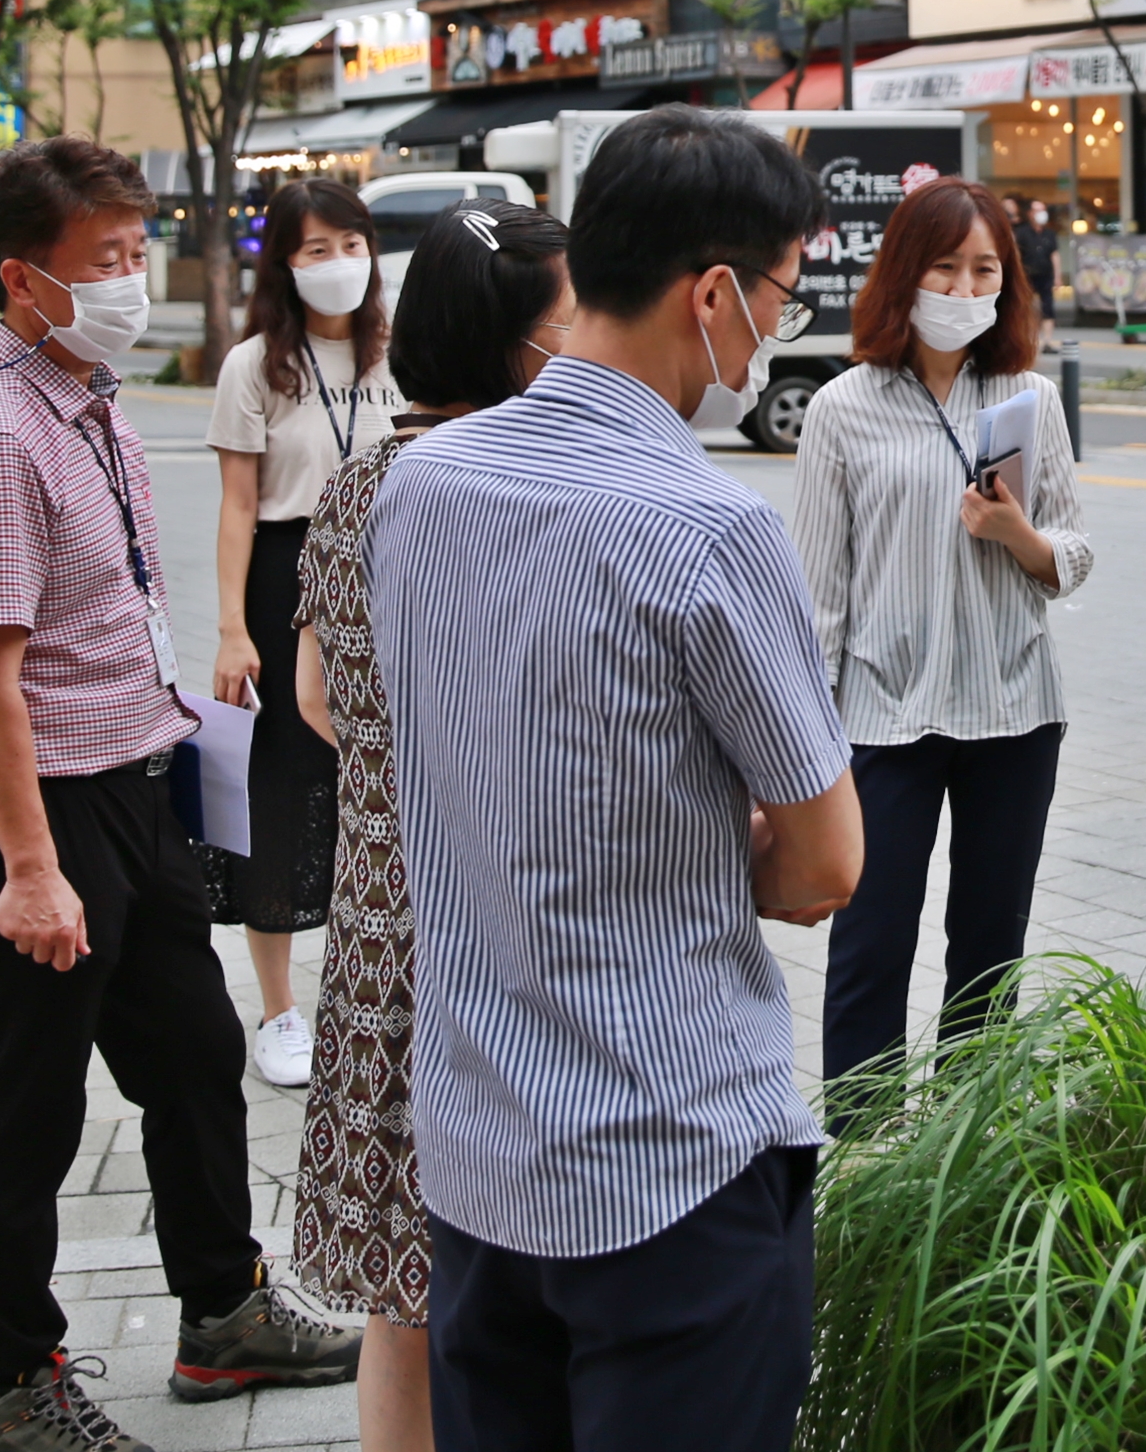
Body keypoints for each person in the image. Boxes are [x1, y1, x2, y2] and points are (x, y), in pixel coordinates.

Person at [362, 106, 863, 1451]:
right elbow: (825, 866)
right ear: (709, 293)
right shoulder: (708, 530)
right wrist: (713, 847)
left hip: (476, 1151)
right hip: (670, 1159)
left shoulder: (420, 487)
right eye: (773, 297)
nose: (769, 333)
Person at [0, 138, 358, 1452]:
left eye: (139, 254)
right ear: (24, 281)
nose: (133, 284)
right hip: (51, 809)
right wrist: (29, 867)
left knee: (196, 1057)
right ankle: (9, 1380)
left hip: (139, 786)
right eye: (107, 263)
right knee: (22, 1107)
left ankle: (221, 1313)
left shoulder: (87, 398)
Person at [290, 200, 573, 1452]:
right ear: (515, 344)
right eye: (571, 317)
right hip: (498, 930)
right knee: (528, 1265)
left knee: (403, 1290)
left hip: (376, 922)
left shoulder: (360, 484)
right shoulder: (518, 488)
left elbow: (315, 695)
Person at [790, 178, 1090, 1085]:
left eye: (984, 270)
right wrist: (811, 741)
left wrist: (1020, 537)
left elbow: (1073, 551)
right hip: (882, 717)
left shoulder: (1030, 396)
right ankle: (864, 1154)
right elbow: (819, 595)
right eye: (945, 267)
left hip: (1014, 706)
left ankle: (970, 1148)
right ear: (902, 276)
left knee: (990, 951)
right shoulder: (843, 406)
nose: (964, 290)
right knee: (871, 944)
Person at [205, 179, 403, 1088]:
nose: (338, 265)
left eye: (351, 243)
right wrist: (231, 629)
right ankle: (280, 1010)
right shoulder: (254, 364)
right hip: (289, 576)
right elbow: (239, 506)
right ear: (284, 262)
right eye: (315, 248)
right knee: (283, 790)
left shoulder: (398, 350)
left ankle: (382, 989)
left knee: (390, 784)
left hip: (393, 570)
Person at [1014, 197, 1062, 331]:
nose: (1041, 213)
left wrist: (1057, 276)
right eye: (1037, 210)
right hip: (1027, 275)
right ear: (1030, 213)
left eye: (1043, 210)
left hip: (1046, 275)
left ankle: (1047, 341)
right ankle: (1029, 336)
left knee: (1048, 306)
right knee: (1026, 306)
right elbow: (1017, 254)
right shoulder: (1022, 233)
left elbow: (1054, 254)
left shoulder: (1049, 234)